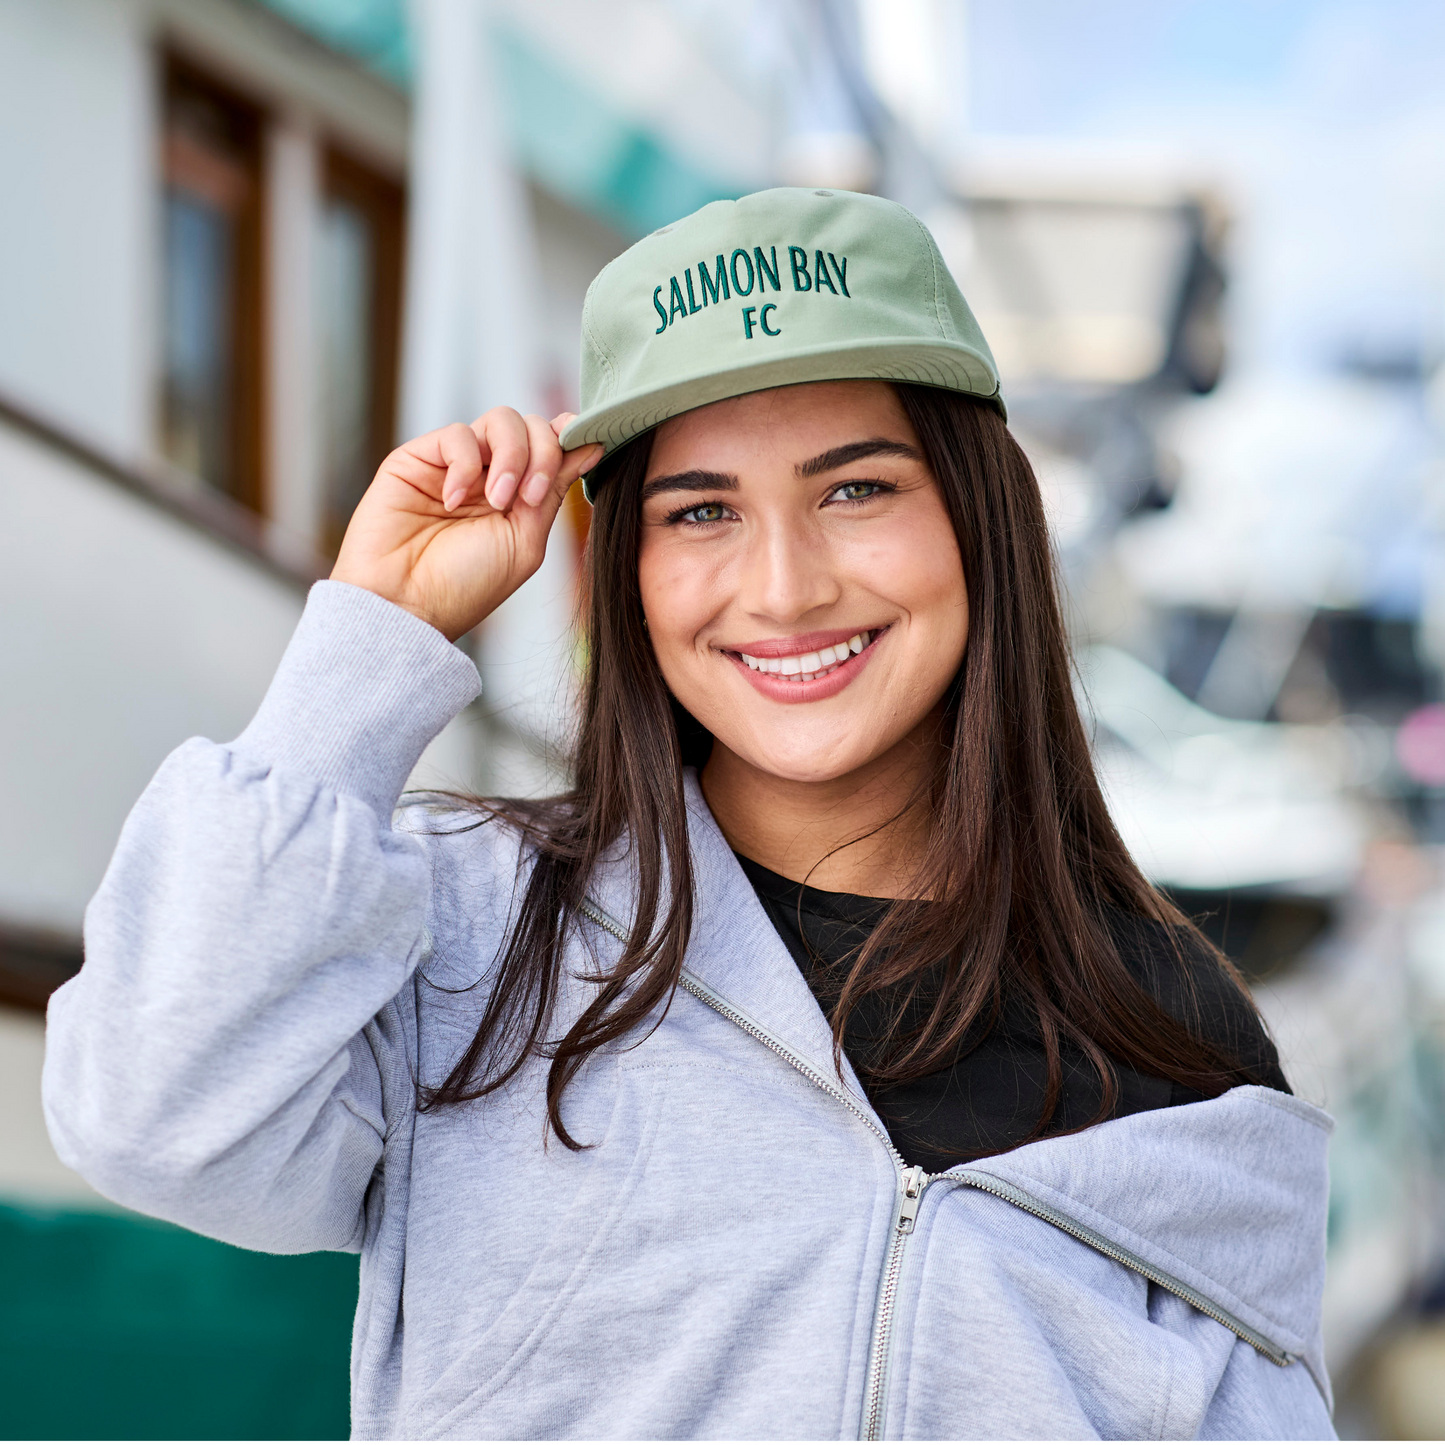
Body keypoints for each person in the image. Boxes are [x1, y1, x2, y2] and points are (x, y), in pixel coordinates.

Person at [43, 188, 1334, 1440]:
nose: (783, 588)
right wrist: (372, 643)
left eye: (857, 489)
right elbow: (155, 1121)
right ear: (632, 568)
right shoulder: (468, 929)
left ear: (977, 520)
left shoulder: (1174, 1038)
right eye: (701, 511)